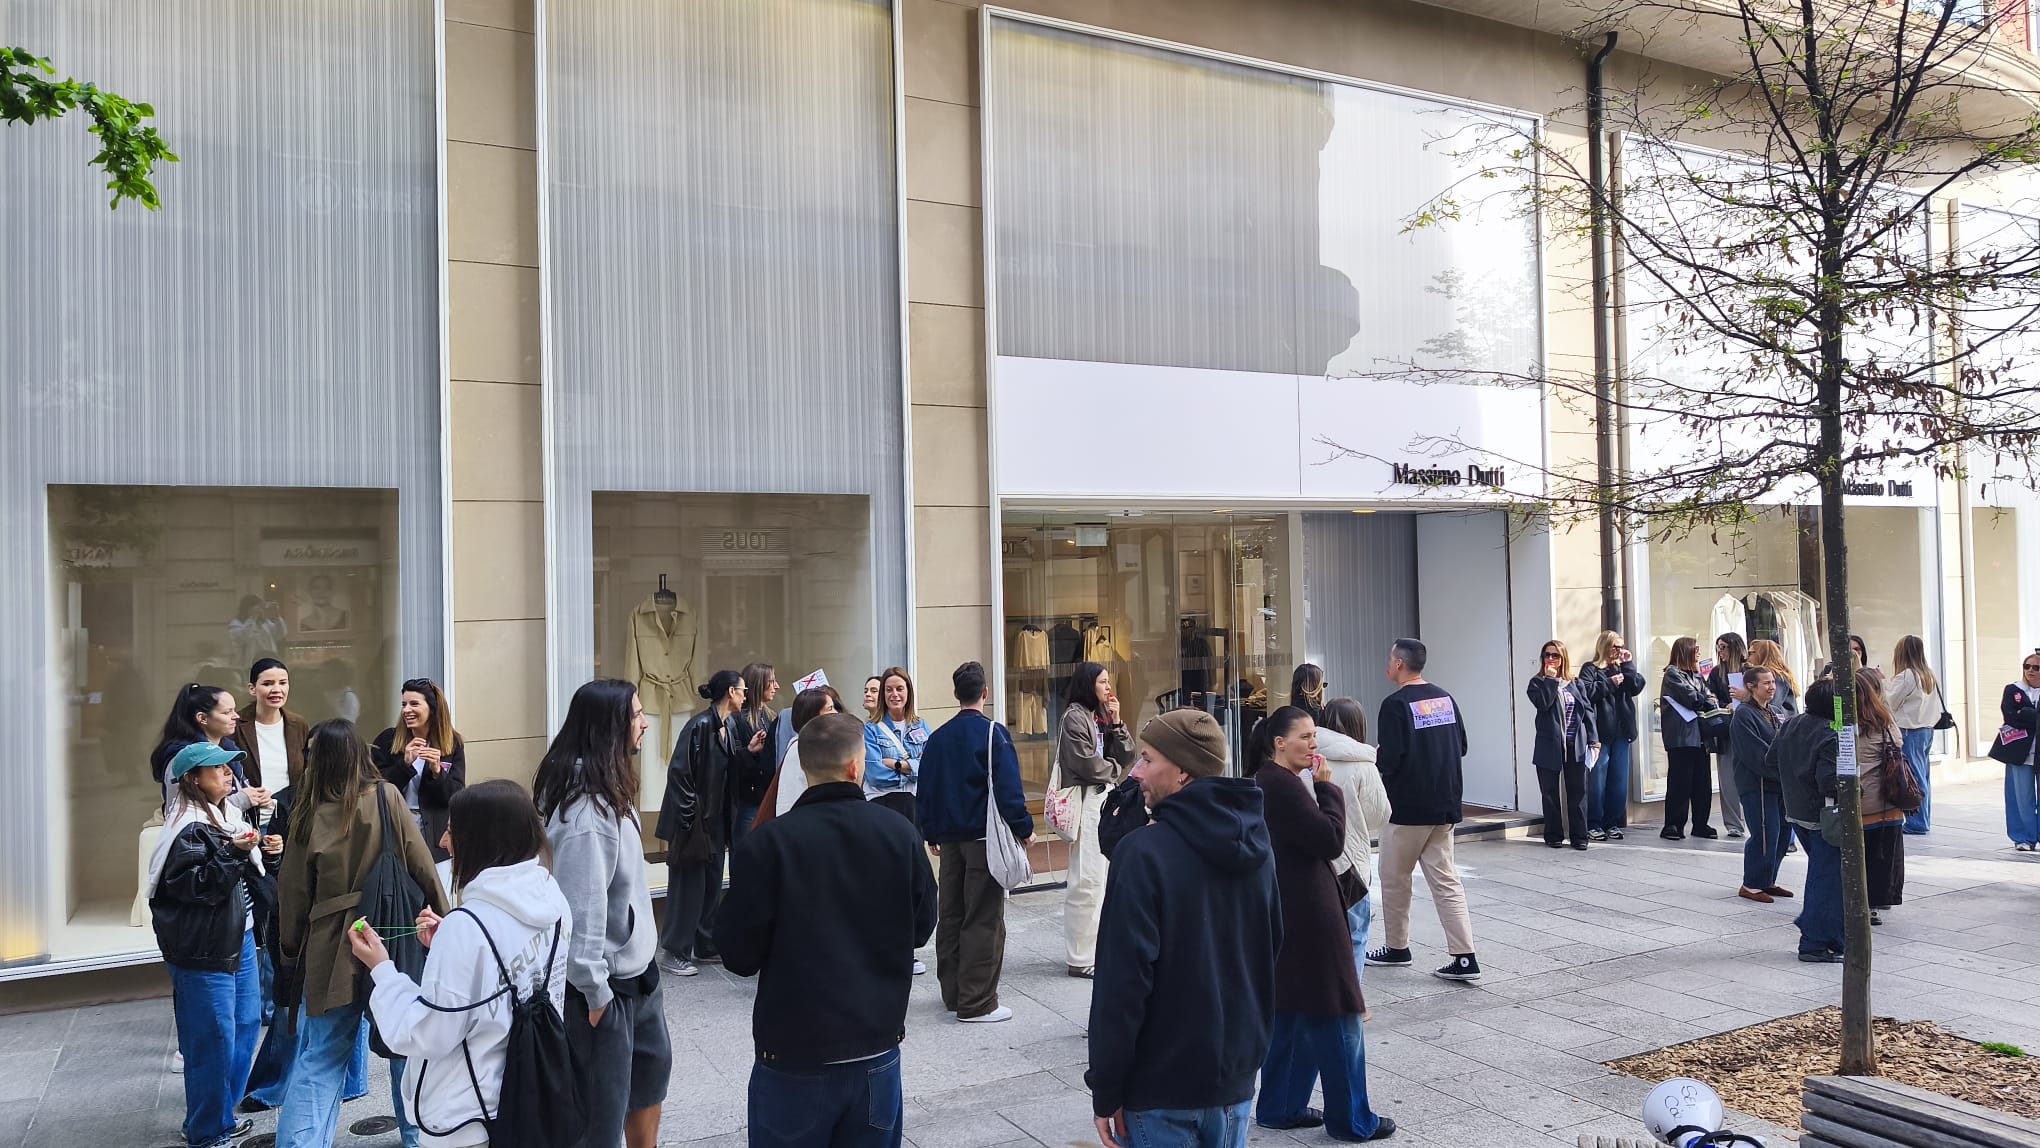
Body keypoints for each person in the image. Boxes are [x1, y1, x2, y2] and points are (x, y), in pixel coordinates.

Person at [714, 712, 937, 1148]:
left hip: (794, 1049)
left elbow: (737, 953)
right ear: (857, 767)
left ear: (802, 767)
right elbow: (922, 925)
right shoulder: (899, 833)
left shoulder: (768, 844)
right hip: (875, 1043)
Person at [1087, 709, 1280, 1148]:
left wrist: (1107, 1087)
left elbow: (1122, 984)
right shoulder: (1257, 841)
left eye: (1147, 759)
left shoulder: (1142, 853)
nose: (1136, 772)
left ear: (1182, 773)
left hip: (1161, 1084)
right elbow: (1271, 949)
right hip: (1234, 1077)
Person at [352, 779, 573, 1145]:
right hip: (532, 1097)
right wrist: (450, 941)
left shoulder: (468, 926)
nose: (443, 842)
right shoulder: (553, 898)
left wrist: (383, 969)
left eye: (452, 831)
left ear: (483, 839)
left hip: (466, 1119)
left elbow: (428, 1033)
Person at [276, 720, 448, 1148]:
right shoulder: (386, 797)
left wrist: (290, 954)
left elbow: (292, 893)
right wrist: (445, 924)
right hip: (392, 933)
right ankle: (417, 1139)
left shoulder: (306, 813)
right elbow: (422, 866)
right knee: (406, 1048)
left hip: (331, 943)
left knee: (322, 1058)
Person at [533, 680, 670, 1148]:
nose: (644, 722)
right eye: (636, 714)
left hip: (637, 975)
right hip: (605, 989)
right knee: (600, 1118)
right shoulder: (587, 813)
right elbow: (581, 909)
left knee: (648, 1082)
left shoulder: (608, 787)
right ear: (609, 728)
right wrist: (596, 995)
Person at [1249, 708, 1394, 1142]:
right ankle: (1352, 1120)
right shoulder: (1283, 785)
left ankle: (1280, 1106)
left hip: (1294, 911)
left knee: (1292, 1013)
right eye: (1305, 737)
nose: (1314, 744)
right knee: (1339, 1014)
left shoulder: (1272, 781)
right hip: (1311, 916)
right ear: (1279, 742)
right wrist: (1328, 790)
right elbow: (1330, 840)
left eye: (1314, 736)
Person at [150, 742, 266, 1148]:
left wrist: (262, 851)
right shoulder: (187, 828)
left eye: (228, 766)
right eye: (217, 768)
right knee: (212, 1039)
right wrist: (235, 852)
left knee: (245, 1024)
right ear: (193, 779)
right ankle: (208, 1130)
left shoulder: (226, 815)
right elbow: (198, 888)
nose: (228, 773)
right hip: (204, 949)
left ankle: (219, 1115)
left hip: (239, 936)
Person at [917, 662, 1035, 1023]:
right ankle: (977, 1002)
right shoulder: (993, 734)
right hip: (984, 840)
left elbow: (926, 791)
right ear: (985, 692)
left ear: (955, 694)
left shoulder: (937, 738)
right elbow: (1009, 792)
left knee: (951, 915)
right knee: (983, 917)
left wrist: (931, 833)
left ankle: (953, 994)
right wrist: (1025, 828)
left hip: (950, 841)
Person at [1366, 639, 1480, 984]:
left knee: (1394, 878)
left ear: (1399, 664)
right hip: (1445, 806)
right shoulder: (1445, 698)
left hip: (1407, 809)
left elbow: (1389, 760)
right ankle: (1464, 956)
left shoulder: (1395, 705)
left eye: (1390, 658)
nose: (1388, 663)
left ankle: (1397, 947)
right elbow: (1462, 746)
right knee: (1446, 881)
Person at [659, 670, 752, 976]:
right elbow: (680, 774)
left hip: (715, 823)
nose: (745, 695)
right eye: (742, 690)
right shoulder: (699, 725)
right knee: (688, 887)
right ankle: (675, 951)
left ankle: (705, 944)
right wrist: (689, 819)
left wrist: (747, 752)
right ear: (730, 692)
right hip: (695, 823)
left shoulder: (727, 726)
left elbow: (724, 769)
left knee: (711, 885)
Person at [1057, 662, 1137, 980]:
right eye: (1102, 682)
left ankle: (1094, 949)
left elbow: (1127, 754)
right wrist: (1114, 771)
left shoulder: (1096, 715)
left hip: (1102, 799)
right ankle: (1080, 956)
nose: (1108, 687)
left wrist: (1117, 722)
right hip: (1088, 799)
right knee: (1087, 880)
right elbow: (1088, 765)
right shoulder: (1074, 717)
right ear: (1087, 684)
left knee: (1101, 878)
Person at [1769, 680, 1842, 963]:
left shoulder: (1791, 723)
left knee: (1824, 874)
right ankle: (1814, 940)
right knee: (1826, 878)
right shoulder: (1830, 734)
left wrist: (1794, 779)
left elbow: (1771, 759)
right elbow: (1828, 781)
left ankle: (1830, 936)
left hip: (1796, 810)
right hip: (1822, 814)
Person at [1317, 699, 1388, 987]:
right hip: (1351, 865)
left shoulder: (1305, 754)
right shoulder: (1363, 763)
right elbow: (1379, 816)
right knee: (1355, 935)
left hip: (1313, 862)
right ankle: (1351, 1000)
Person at [372, 678, 467, 863]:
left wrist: (438, 772)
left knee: (435, 879)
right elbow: (375, 789)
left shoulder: (452, 743)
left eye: (414, 704)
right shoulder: (387, 741)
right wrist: (404, 766)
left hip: (435, 834)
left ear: (432, 709)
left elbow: (456, 795)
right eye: (404, 704)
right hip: (395, 828)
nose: (406, 710)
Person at [152, 683, 269, 817]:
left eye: (234, 710)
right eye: (227, 712)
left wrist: (256, 796)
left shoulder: (228, 748)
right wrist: (243, 799)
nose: (236, 716)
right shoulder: (186, 759)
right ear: (202, 718)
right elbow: (181, 811)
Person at [1729, 666, 1793, 903]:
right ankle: (1752, 883)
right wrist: (1780, 770)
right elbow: (1754, 753)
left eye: (1772, 682)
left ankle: (1768, 879)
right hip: (1758, 784)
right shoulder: (1744, 714)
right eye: (1766, 683)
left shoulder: (1775, 711)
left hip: (1779, 784)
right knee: (1765, 832)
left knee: (1783, 833)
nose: (1772, 687)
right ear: (1751, 687)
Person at [1526, 639, 1597, 851]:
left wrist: (1594, 739)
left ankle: (1579, 836)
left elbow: (1588, 711)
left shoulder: (1575, 683)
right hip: (1549, 746)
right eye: (1547, 655)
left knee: (1578, 793)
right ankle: (1553, 835)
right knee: (1549, 793)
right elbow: (1543, 704)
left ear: (1563, 658)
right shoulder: (1537, 683)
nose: (1550, 659)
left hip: (1575, 745)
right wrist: (1550, 680)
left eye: (1555, 655)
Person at [1575, 631, 1643, 841]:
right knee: (1597, 781)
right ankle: (1593, 823)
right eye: (1616, 647)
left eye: (1621, 647)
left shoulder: (1622, 668)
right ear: (1605, 646)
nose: (1619, 651)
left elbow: (1636, 686)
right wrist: (1610, 683)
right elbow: (1585, 693)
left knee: (1619, 780)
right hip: (1601, 734)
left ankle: (1611, 822)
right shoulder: (1591, 668)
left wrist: (1628, 665)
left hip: (1622, 733)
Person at [1850, 674, 1907, 925]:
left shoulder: (1841, 723)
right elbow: (1898, 743)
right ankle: (1876, 903)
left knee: (1860, 856)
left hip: (1859, 800)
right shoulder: (1883, 719)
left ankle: (1862, 902)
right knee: (1883, 856)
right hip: (1886, 800)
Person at [1658, 637, 1719, 840]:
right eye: (1696, 649)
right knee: (1680, 783)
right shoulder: (1673, 674)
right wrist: (1704, 700)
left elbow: (1711, 698)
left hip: (1700, 736)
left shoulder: (1697, 676)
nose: (1699, 653)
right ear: (1686, 651)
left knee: (1702, 784)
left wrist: (1705, 700)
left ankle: (1700, 824)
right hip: (1681, 737)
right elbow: (1692, 698)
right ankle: (1673, 825)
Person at [1884, 635, 1943, 835]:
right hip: (1927, 729)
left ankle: (1917, 822)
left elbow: (1891, 702)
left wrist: (1883, 682)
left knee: (1913, 777)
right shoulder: (1928, 674)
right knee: (1923, 775)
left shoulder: (1907, 675)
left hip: (1909, 730)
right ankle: (1923, 819)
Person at [761, 686, 845, 825]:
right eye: (830, 709)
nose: (836, 713)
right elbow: (792, 798)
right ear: (814, 715)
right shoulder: (801, 749)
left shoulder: (811, 745)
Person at [1987, 651, 2040, 851]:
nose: (2030, 671)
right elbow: (2010, 717)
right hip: (2019, 753)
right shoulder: (2013, 690)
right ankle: (2024, 838)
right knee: (2021, 797)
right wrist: (2033, 717)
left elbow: (2022, 717)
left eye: (2036, 667)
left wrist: (2026, 714)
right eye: (2027, 666)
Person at [863, 666, 928, 825]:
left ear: (908, 692)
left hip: (915, 804)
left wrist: (897, 765)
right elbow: (875, 775)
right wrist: (913, 770)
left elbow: (931, 766)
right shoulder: (871, 729)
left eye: (899, 689)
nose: (894, 694)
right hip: (883, 804)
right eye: (889, 690)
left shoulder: (921, 726)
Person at [240, 659, 309, 792]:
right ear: (252, 689)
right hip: (250, 803)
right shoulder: (236, 725)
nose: (277, 690)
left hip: (290, 803)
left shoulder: (298, 725)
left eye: (282, 683)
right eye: (267, 684)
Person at [730, 662, 780, 849]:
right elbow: (731, 760)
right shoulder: (737, 719)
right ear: (759, 684)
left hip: (766, 794)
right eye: (771, 682)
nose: (776, 687)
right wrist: (751, 752)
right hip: (748, 796)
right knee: (745, 849)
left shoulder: (771, 716)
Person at [1706, 634, 1750, 839]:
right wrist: (1724, 705)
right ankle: (1733, 823)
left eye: (1723, 647)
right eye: (1718, 647)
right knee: (1727, 777)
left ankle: (1753, 819)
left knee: (1750, 775)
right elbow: (1710, 698)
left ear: (1734, 647)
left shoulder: (1749, 670)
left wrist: (1744, 700)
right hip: (1726, 728)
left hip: (1748, 729)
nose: (1720, 652)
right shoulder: (1717, 672)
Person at [1745, 639, 1800, 714]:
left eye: (1750, 653)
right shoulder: (1776, 675)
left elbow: (1771, 703)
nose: (1747, 657)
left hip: (1782, 719)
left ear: (1761, 654)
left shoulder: (1775, 676)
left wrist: (1746, 697)